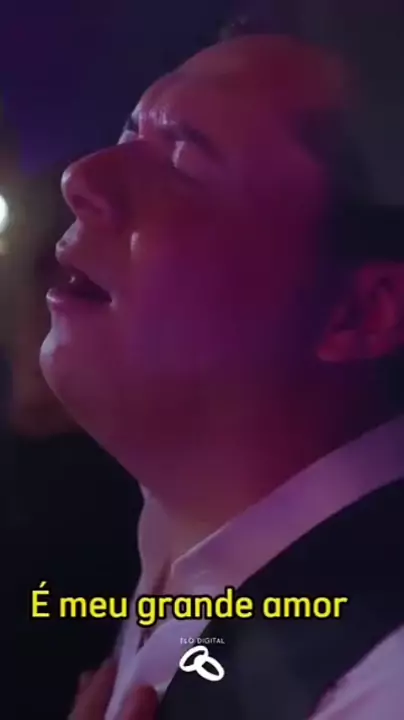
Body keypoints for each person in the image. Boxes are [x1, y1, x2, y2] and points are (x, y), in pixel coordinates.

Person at [40, 35, 404, 719]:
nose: (80, 177)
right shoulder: (188, 548)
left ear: (360, 311)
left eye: (183, 156)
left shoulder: (381, 677)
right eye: (128, 135)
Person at [3, 167, 142, 720]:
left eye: (86, 284)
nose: (53, 301)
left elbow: (226, 626)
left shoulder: (161, 494)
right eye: (44, 270)